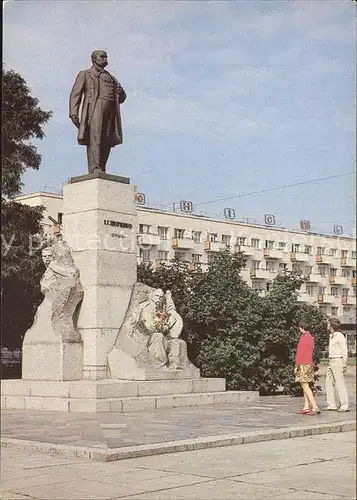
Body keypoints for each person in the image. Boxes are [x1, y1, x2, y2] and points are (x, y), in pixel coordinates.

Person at [69, 50, 126, 173]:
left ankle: (102, 167)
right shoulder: (85, 74)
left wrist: (121, 93)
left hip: (111, 110)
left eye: (106, 57)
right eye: (102, 57)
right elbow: (76, 93)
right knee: (95, 137)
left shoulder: (111, 77)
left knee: (107, 139)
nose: (105, 59)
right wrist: (73, 111)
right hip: (94, 108)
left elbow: (122, 97)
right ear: (94, 59)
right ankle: (95, 167)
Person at [295, 320, 320, 415]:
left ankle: (314, 406)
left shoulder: (303, 338)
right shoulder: (311, 338)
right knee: (307, 385)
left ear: (302, 328)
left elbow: (300, 353)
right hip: (310, 363)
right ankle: (306, 406)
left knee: (304, 385)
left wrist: (296, 365)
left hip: (303, 363)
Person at [326, 317, 349, 412]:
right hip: (331, 360)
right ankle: (331, 404)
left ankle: (344, 404)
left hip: (338, 360)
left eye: (328, 324)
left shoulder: (339, 336)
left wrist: (344, 363)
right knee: (328, 383)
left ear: (332, 326)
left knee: (339, 383)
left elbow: (344, 350)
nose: (327, 325)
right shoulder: (331, 335)